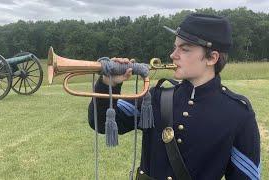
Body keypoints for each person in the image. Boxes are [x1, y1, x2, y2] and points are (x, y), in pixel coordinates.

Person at [88, 13, 260, 180]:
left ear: (212, 58)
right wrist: (108, 83)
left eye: (184, 49)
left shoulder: (238, 114)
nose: (173, 55)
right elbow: (101, 123)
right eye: (175, 47)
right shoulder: (155, 97)